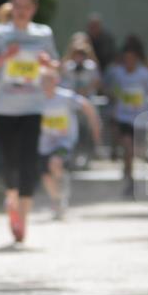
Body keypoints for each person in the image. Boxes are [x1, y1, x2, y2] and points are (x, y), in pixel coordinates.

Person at [0, 0, 59, 243]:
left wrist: (48, 66)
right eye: (18, 6)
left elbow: (54, 70)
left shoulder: (43, 34)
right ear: (11, 7)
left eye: (27, 7)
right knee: (9, 163)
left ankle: (23, 222)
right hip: (2, 108)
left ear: (34, 9)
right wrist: (5, 57)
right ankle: (11, 198)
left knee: (28, 164)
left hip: (32, 107)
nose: (22, 12)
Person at [38, 70, 101, 219]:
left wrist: (95, 126)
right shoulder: (36, 99)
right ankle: (57, 200)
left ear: (55, 81)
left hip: (64, 142)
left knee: (55, 163)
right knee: (46, 176)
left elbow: (86, 106)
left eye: (49, 80)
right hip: (43, 144)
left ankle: (62, 191)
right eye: (43, 80)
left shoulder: (65, 97)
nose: (46, 84)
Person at [104, 36, 148, 196]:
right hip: (123, 117)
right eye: (126, 59)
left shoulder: (144, 74)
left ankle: (128, 169)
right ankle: (130, 179)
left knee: (135, 150)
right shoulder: (118, 73)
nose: (129, 62)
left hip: (140, 117)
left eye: (132, 59)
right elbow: (108, 89)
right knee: (128, 146)